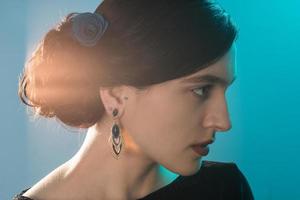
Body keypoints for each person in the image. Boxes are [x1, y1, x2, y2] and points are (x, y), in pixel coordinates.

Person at [13, 0, 254, 199]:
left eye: (225, 90)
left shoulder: (225, 189)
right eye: (201, 90)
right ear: (116, 95)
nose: (224, 122)